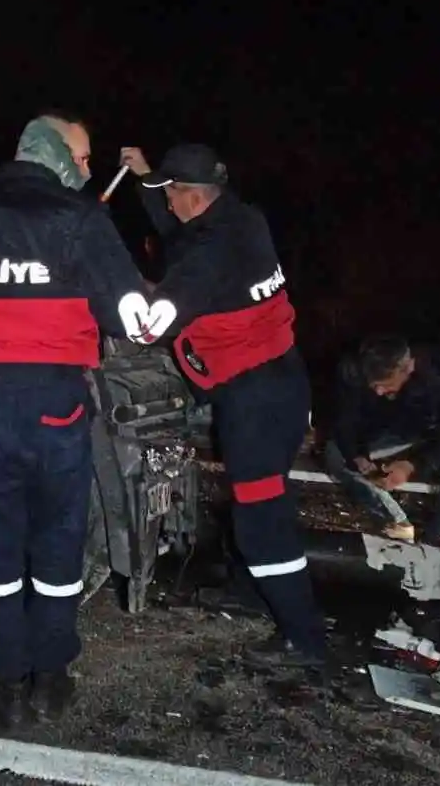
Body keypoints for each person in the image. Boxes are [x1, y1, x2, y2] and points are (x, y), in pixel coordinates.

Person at [0, 113, 152, 731]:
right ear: (54, 156)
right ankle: (51, 677)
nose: (87, 171)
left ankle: (8, 684)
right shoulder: (80, 220)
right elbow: (130, 319)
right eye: (82, 158)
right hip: (55, 402)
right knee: (57, 541)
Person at [119, 142, 327, 671]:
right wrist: (146, 179)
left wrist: (116, 292)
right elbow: (181, 237)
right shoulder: (240, 219)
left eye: (170, 196)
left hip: (253, 397)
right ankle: (254, 590)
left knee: (262, 516)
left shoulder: (208, 253)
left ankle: (301, 636)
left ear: (190, 196)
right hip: (282, 382)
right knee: (259, 501)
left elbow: (156, 315)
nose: (167, 206)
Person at [324, 335, 440, 551]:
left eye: (385, 383)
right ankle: (396, 522)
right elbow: (345, 420)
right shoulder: (353, 371)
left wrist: (412, 465)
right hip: (404, 426)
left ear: (409, 367)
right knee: (336, 453)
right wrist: (358, 455)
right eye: (374, 384)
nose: (378, 391)